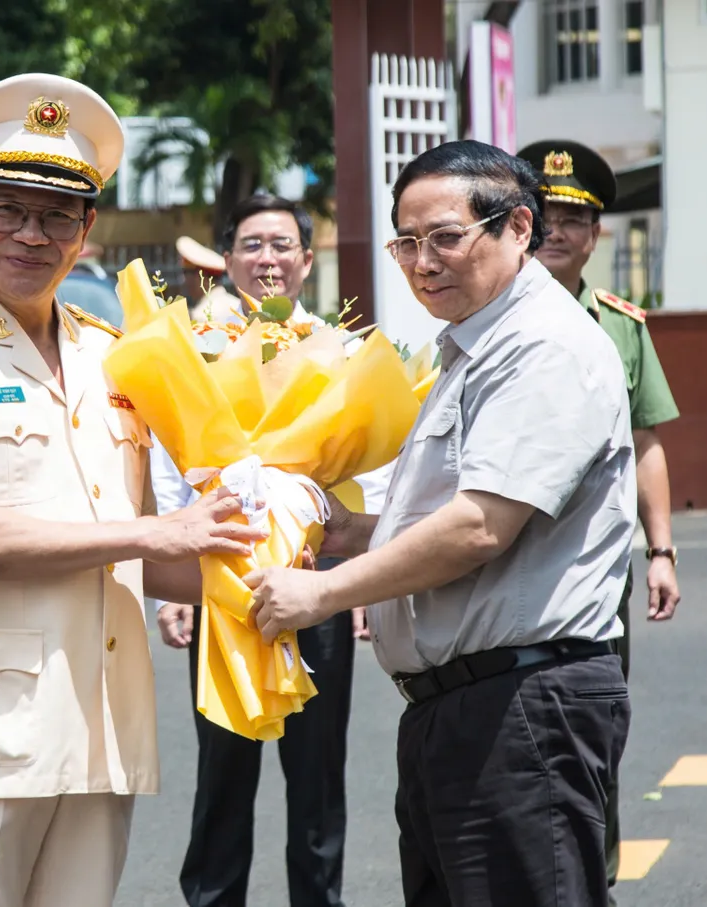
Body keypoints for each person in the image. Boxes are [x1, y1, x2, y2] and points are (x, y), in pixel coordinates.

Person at [0, 73, 265, 907]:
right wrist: (156, 537)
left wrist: (299, 561)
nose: (29, 234)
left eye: (56, 216)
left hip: (97, 728)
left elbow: (155, 549)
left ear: (86, 232)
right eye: (6, 207)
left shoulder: (112, 354)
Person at [247, 141, 636, 907]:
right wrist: (338, 526)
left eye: (446, 237)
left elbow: (479, 527)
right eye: (406, 242)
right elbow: (434, 515)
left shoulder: (544, 348)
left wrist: (324, 594)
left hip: (520, 705)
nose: (423, 262)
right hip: (461, 708)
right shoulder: (467, 347)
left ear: (518, 227)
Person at [154, 194, 382, 907]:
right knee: (223, 770)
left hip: (316, 586)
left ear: (308, 261)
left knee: (317, 774)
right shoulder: (197, 346)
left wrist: (362, 583)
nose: (268, 259)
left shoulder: (338, 348)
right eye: (252, 246)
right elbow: (170, 465)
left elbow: (369, 473)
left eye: (283, 245)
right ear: (228, 260)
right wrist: (171, 587)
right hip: (222, 585)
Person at [517, 139, 682, 904]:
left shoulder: (621, 327)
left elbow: (647, 443)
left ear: (596, 232)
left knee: (595, 727)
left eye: (574, 218)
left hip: (595, 570)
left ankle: (596, 876)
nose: (558, 229)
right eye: (545, 215)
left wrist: (662, 549)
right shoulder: (487, 318)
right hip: (505, 565)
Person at [176, 235, 239, 322]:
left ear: (200, 276)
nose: (183, 280)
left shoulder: (201, 316)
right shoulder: (238, 305)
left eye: (186, 272)